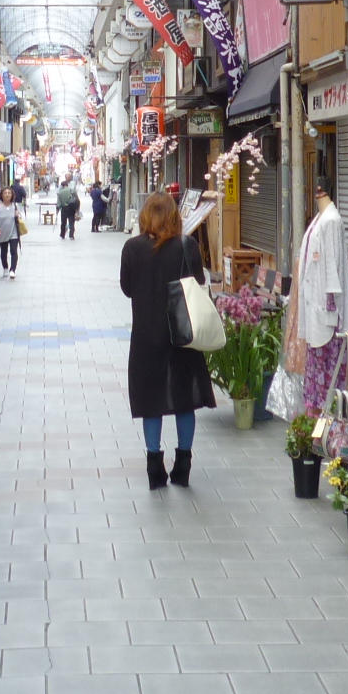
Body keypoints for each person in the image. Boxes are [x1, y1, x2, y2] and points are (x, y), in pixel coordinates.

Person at [120, 191, 215, 489]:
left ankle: (154, 467)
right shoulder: (187, 245)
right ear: (174, 216)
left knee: (152, 401)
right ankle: (183, 465)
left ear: (145, 216)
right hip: (183, 334)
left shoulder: (132, 248)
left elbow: (127, 288)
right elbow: (198, 282)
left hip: (147, 335)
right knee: (184, 399)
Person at [0, 186, 23, 279]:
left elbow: (20, 217)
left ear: (12, 195)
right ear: (2, 195)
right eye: (5, 193)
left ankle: (12, 270)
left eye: (9, 193)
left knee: (14, 251)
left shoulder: (15, 206)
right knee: (4, 251)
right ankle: (5, 268)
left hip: (13, 232)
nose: (7, 195)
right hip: (2, 232)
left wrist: (18, 215)